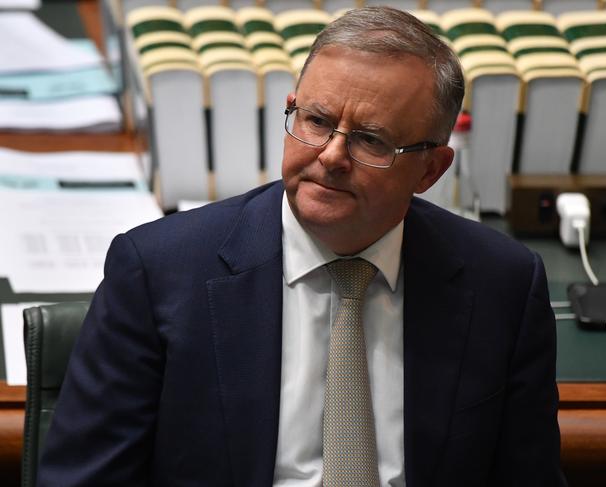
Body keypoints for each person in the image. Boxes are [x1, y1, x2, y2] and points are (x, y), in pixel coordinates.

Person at [38, 6, 566, 486]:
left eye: (371, 140)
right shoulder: (157, 273)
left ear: (430, 169)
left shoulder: (504, 286)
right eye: (316, 121)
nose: (332, 156)